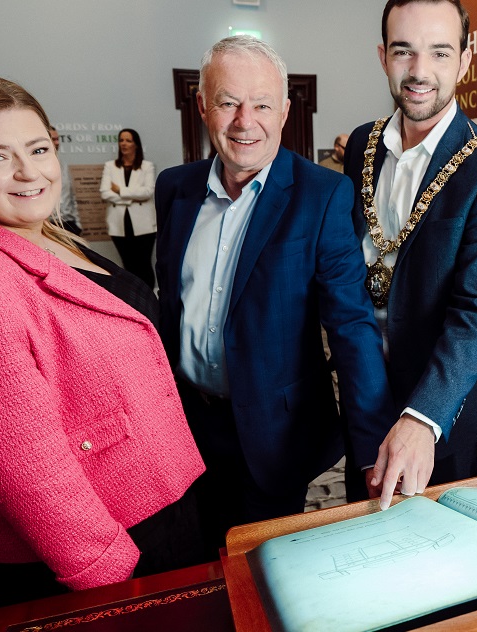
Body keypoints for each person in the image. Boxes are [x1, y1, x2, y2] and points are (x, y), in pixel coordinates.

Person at [0, 75, 205, 615]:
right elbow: (27, 467)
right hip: (90, 552)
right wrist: (110, 576)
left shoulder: (47, 236)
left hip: (155, 508)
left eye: (38, 149)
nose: (29, 171)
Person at [155, 35, 394, 554]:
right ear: (202, 105)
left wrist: (373, 444)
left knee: (261, 572)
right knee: (192, 564)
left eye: (262, 104)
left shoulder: (322, 196)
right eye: (227, 102)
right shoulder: (173, 188)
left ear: (285, 111)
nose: (245, 121)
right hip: (187, 428)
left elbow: (351, 326)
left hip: (271, 435)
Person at [343, 0, 477, 507]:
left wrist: (423, 417)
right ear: (383, 56)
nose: (420, 72)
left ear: (466, 59)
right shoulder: (362, 144)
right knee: (357, 533)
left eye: (440, 53)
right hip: (364, 393)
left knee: (434, 559)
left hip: (442, 405)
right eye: (404, 51)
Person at [101, 129, 157, 288]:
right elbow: (105, 193)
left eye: (128, 140)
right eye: (121, 140)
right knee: (128, 265)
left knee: (144, 264)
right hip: (119, 223)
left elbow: (147, 192)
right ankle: (133, 301)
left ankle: (149, 300)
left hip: (143, 224)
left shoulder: (147, 166)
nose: (124, 144)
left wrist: (119, 191)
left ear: (136, 145)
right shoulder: (110, 166)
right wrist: (131, 197)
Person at [47, 125, 83, 235]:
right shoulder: (34, 168)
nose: (57, 142)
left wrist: (77, 223)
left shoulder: (63, 165)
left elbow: (71, 195)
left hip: (69, 224)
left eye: (58, 139)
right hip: (49, 226)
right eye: (53, 139)